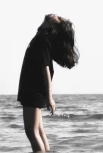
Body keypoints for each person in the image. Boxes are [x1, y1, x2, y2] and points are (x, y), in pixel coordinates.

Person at [17, 13, 79, 152]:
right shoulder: (42, 38)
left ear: (55, 26)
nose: (54, 15)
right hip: (34, 88)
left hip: (33, 89)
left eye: (58, 18)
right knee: (38, 131)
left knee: (32, 132)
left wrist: (49, 96)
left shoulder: (42, 40)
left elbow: (45, 68)